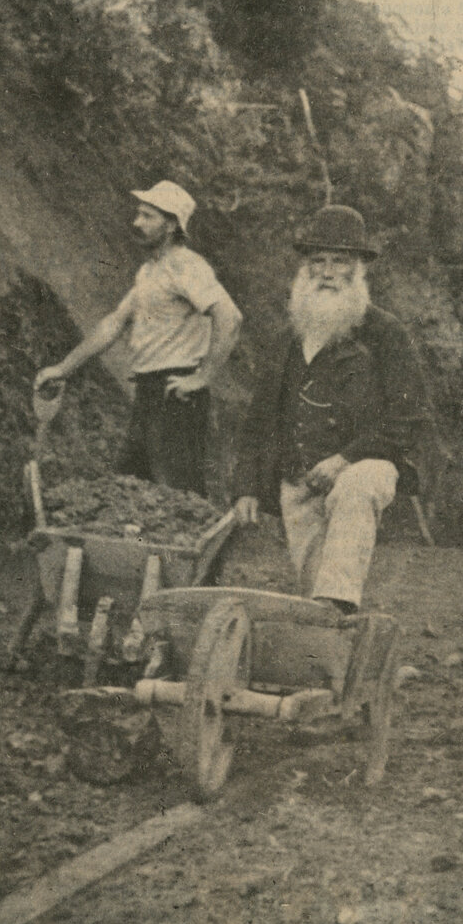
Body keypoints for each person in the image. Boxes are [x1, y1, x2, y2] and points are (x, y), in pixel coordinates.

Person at [234, 206, 428, 614]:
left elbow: (408, 419)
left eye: (339, 261)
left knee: (356, 489)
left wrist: (345, 459)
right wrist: (247, 486)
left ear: (358, 270)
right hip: (300, 477)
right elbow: (259, 420)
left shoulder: (384, 333)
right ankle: (331, 654)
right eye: (316, 261)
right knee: (315, 602)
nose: (325, 272)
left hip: (367, 465)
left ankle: (335, 612)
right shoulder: (289, 337)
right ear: (304, 270)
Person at [36, 181, 241, 495]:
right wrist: (64, 368)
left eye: (148, 216)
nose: (137, 223)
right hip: (149, 392)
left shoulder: (186, 265)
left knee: (176, 493)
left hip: (177, 393)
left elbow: (229, 317)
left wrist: (203, 376)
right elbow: (114, 323)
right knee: (129, 488)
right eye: (139, 214)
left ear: (171, 224)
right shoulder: (150, 272)